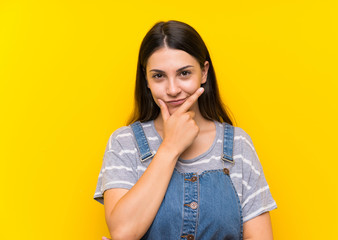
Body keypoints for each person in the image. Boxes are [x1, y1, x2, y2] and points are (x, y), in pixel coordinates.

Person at [94, 20, 277, 240]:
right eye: (159, 76)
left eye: (184, 73)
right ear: (147, 80)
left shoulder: (238, 145)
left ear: (204, 72)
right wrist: (170, 147)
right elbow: (123, 232)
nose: (172, 90)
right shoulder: (124, 143)